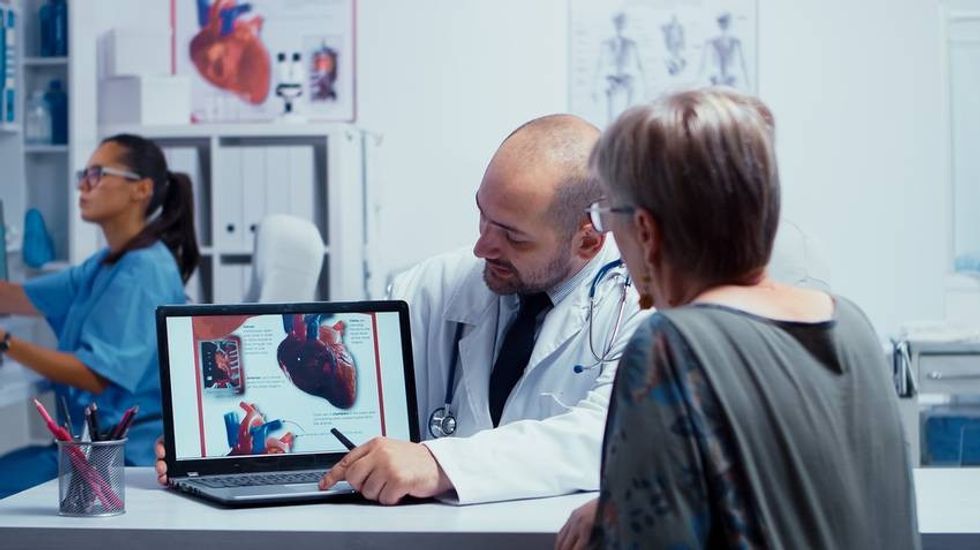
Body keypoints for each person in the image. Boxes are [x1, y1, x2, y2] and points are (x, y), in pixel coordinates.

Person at [155, 114, 649, 504]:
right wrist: (216, 452)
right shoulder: (435, 284)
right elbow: (354, 405)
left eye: (512, 236)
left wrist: (440, 463)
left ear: (588, 238)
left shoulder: (640, 304)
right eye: (482, 215)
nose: (481, 248)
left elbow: (604, 438)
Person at [556, 88, 918, 549]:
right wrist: (621, 501)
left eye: (608, 216)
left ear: (646, 230)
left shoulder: (669, 346)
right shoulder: (853, 327)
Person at [0, 134, 199, 499]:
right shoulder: (107, 262)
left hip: (118, 462)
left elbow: (94, 376)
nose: (82, 186)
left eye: (97, 174)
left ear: (141, 189)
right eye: (83, 175)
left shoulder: (143, 270)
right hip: (85, 447)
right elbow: (15, 297)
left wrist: (6, 342)